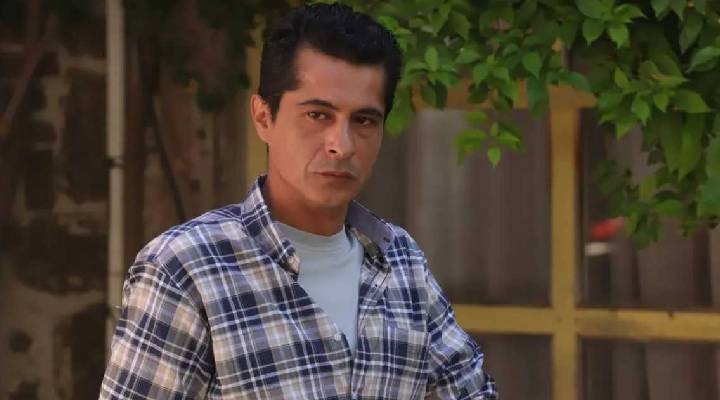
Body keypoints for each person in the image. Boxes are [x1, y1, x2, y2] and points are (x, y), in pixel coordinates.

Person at [100, 3, 497, 399]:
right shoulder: (187, 268)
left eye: (363, 120)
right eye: (318, 115)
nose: (341, 146)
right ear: (263, 118)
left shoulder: (401, 262)